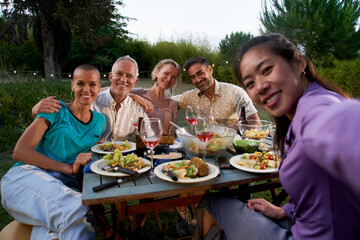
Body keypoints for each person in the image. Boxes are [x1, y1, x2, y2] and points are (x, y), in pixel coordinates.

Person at [195, 33, 360, 240]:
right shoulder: (293, 117)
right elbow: (316, 191)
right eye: (251, 83)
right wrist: (285, 210)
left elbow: (339, 126)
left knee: (211, 202)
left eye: (267, 70)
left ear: (299, 62)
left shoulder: (315, 108)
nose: (261, 86)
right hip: (300, 223)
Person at [1, 64, 106, 240]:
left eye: (92, 84)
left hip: (61, 186)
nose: (86, 89)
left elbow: (87, 152)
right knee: (80, 211)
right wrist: (68, 167)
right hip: (27, 176)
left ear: (99, 88)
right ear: (72, 85)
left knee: (56, 235)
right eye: (80, 83)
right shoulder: (55, 110)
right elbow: (20, 151)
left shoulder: (100, 121)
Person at [32, 55, 147, 142]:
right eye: (119, 74)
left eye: (129, 76)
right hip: (88, 159)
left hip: (122, 160)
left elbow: (150, 135)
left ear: (135, 81)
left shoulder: (138, 108)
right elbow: (66, 114)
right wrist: (36, 112)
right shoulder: (91, 100)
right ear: (110, 77)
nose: (123, 79)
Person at [172, 57, 260, 128]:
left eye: (200, 73)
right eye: (193, 77)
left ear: (210, 70)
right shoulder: (191, 96)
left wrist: (224, 133)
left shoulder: (235, 92)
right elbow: (165, 102)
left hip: (232, 144)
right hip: (204, 143)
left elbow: (255, 124)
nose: (197, 80)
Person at [130, 58, 181, 136]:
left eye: (174, 77)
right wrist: (135, 97)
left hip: (166, 145)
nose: (169, 79)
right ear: (157, 72)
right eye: (166, 73)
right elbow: (110, 91)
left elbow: (172, 133)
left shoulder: (172, 103)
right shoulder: (140, 93)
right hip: (144, 144)